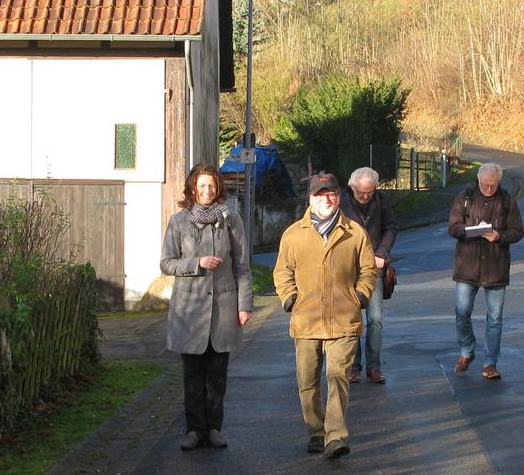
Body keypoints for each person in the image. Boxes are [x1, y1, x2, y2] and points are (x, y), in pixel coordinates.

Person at [273, 173, 377, 459]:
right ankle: (316, 431)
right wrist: (290, 298)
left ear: (339, 196)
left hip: (344, 319)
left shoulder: (354, 233)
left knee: (337, 376)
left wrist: (360, 296)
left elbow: (368, 270)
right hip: (305, 320)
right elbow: (282, 272)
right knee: (307, 381)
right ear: (311, 199)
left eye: (331, 193)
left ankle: (335, 436)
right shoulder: (294, 234)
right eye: (320, 194)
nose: (326, 199)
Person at [160, 163, 253, 450]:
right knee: (192, 375)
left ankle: (214, 428)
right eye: (201, 186)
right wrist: (196, 263)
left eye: (211, 186)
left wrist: (244, 305)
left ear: (218, 188)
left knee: (217, 374)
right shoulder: (178, 222)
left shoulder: (231, 220)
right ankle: (193, 430)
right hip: (188, 309)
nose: (207, 190)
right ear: (192, 189)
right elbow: (166, 263)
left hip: (223, 308)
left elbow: (243, 266)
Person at [447, 162, 524, 380]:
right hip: (467, 266)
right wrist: (469, 231)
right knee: (462, 312)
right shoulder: (464, 197)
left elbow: (517, 231)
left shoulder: (507, 200)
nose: (489, 189)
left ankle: (490, 363)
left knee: (495, 319)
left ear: (498, 181)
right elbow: (453, 227)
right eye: (485, 184)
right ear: (479, 180)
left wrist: (500, 236)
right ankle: (466, 350)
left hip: (496, 266)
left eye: (493, 185)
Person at [338, 167, 397, 384]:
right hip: (347, 269)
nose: (366, 196)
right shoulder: (341, 201)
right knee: (351, 319)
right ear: (352, 187)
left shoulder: (381, 201)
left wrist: (381, 253)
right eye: (362, 192)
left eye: (370, 192)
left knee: (376, 319)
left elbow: (390, 228)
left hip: (374, 269)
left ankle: (374, 367)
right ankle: (354, 366)